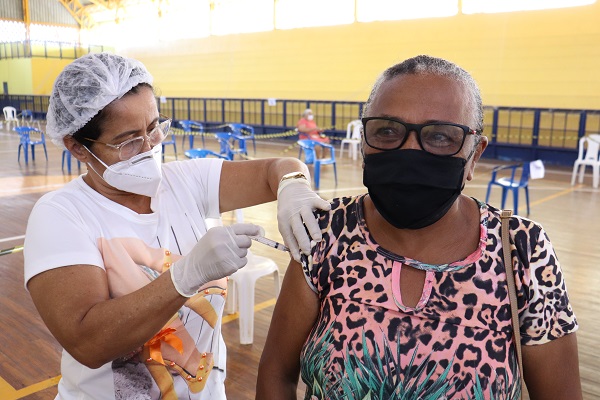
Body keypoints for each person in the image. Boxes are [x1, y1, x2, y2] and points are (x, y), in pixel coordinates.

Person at [257, 55, 582, 399]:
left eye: (441, 136)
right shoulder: (328, 233)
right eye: (387, 131)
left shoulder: (521, 249)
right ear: (364, 140)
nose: (410, 151)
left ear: (475, 154)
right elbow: (276, 374)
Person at [23, 52, 330, 400]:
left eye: (154, 127)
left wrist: (292, 184)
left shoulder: (185, 181)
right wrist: (186, 275)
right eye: (128, 140)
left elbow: (277, 167)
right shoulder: (62, 215)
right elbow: (89, 342)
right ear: (77, 148)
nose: (150, 146)